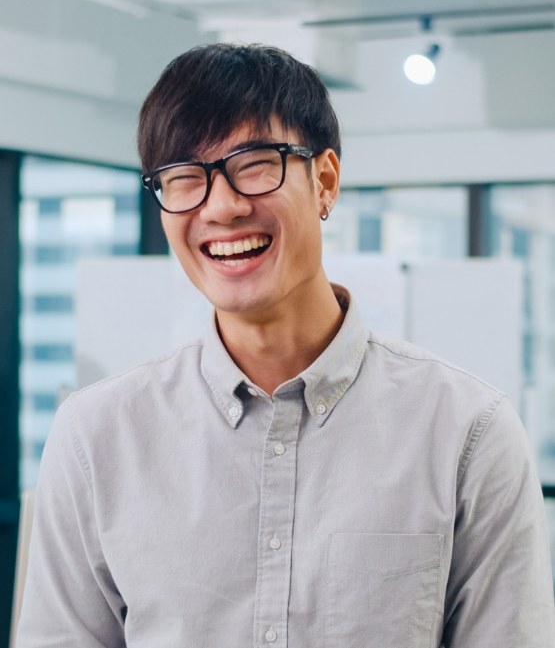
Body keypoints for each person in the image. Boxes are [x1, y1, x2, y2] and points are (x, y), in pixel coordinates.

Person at [16, 43, 555, 648]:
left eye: (254, 164)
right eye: (185, 178)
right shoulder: (94, 438)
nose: (221, 207)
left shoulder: (466, 432)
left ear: (324, 181)